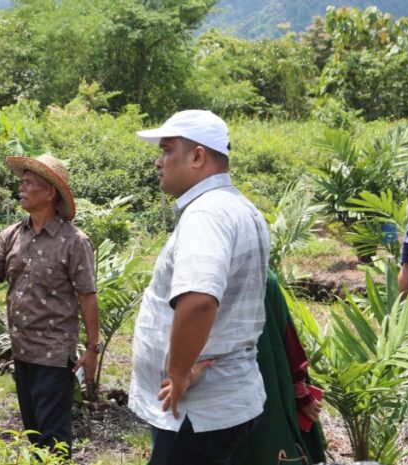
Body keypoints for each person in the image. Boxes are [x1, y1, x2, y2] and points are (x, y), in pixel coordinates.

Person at [128, 110, 271, 465]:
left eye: (166, 151)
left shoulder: (206, 215)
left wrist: (177, 375)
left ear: (197, 156)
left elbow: (199, 301)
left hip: (196, 409)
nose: (158, 162)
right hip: (218, 401)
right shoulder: (239, 208)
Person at [0, 153, 101, 458]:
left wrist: (92, 350)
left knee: (54, 440)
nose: (20, 189)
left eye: (29, 183)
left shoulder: (74, 241)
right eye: (21, 183)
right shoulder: (11, 235)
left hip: (54, 354)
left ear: (50, 192)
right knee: (34, 434)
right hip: (22, 351)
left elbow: (87, 296)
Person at [231, 270, 326, 465]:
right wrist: (301, 393)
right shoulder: (263, 277)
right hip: (263, 392)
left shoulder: (196, 275)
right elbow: (288, 343)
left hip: (221, 397)